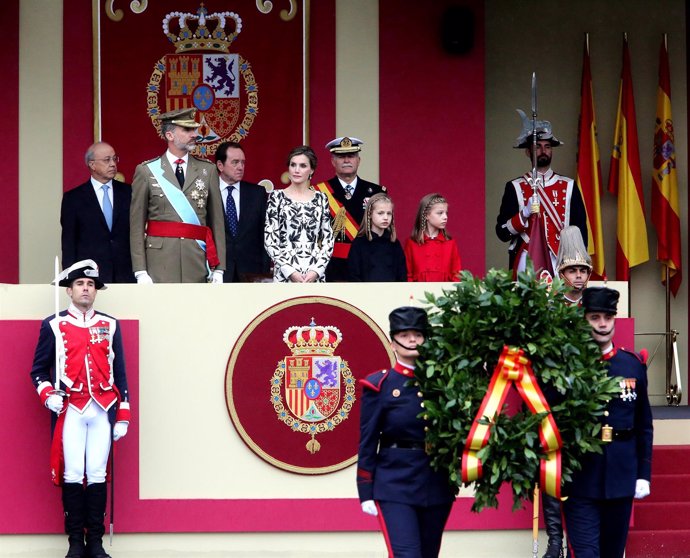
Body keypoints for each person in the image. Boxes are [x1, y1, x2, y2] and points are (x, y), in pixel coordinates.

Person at [29, 259, 130, 558]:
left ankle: (95, 543)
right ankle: (75, 542)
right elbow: (37, 370)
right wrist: (47, 394)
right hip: (70, 409)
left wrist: (123, 414)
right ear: (69, 291)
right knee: (73, 473)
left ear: (95, 290)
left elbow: (120, 372)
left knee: (97, 473)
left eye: (90, 285)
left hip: (102, 409)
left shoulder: (110, 325)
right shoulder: (53, 325)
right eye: (80, 284)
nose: (85, 289)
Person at [357, 306, 456, 557]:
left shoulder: (444, 383)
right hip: (395, 484)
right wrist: (365, 490)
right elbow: (368, 441)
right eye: (404, 335)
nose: (412, 340)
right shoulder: (381, 385)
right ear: (393, 344)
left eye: (418, 335)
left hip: (436, 482)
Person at [562, 287, 653, 558]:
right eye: (595, 317)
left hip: (621, 475)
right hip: (581, 477)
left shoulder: (632, 365)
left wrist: (643, 474)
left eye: (608, 318)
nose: (602, 324)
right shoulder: (569, 366)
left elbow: (644, 425)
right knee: (587, 553)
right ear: (584, 320)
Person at [130, 107, 226, 283]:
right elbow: (136, 226)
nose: (194, 134)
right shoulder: (146, 171)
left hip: (196, 260)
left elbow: (217, 223)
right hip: (159, 262)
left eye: (194, 129)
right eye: (187, 130)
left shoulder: (208, 170)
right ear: (170, 135)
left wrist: (219, 269)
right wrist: (140, 271)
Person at [495, 111, 587, 276]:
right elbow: (502, 232)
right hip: (526, 262)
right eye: (537, 146)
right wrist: (523, 214)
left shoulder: (569, 186)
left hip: (562, 263)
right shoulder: (514, 187)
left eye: (547, 146)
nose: (543, 150)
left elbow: (581, 232)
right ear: (528, 152)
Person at [313, 136, 385, 282]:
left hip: (367, 264)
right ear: (333, 161)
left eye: (351, 156)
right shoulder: (317, 192)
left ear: (359, 160)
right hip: (332, 266)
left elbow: (384, 232)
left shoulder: (376, 192)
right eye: (341, 157)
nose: (346, 160)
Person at [61, 142, 134, 283]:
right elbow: (69, 242)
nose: (113, 164)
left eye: (115, 159)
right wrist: (70, 278)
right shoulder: (73, 198)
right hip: (91, 275)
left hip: (127, 273)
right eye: (107, 160)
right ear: (92, 164)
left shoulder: (130, 192)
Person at [264, 146, 334, 282]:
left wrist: (316, 270)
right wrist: (290, 271)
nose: (296, 170)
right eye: (293, 165)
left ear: (311, 170)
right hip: (285, 275)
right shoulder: (276, 197)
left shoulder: (321, 198)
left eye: (302, 166)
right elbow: (270, 240)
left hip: (314, 275)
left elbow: (328, 240)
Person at [215, 141, 270, 282]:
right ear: (220, 165)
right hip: (218, 272)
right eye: (235, 162)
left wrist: (264, 273)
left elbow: (264, 235)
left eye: (243, 162)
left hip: (251, 273)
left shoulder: (257, 193)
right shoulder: (209, 193)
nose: (240, 167)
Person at [347, 192, 406, 282]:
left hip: (391, 293)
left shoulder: (394, 243)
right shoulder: (359, 243)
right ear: (370, 214)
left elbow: (402, 275)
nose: (385, 217)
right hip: (365, 294)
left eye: (389, 213)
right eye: (380, 213)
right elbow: (353, 275)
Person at [404, 193, 462, 282]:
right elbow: (408, 275)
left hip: (445, 293)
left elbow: (457, 275)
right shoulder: (412, 243)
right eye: (440, 213)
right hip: (418, 293)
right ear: (426, 215)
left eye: (446, 213)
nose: (445, 217)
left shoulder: (450, 243)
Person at [555, 225, 592, 307]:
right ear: (561, 275)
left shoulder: (595, 304)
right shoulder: (552, 304)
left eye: (583, 271)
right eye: (572, 271)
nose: (579, 275)